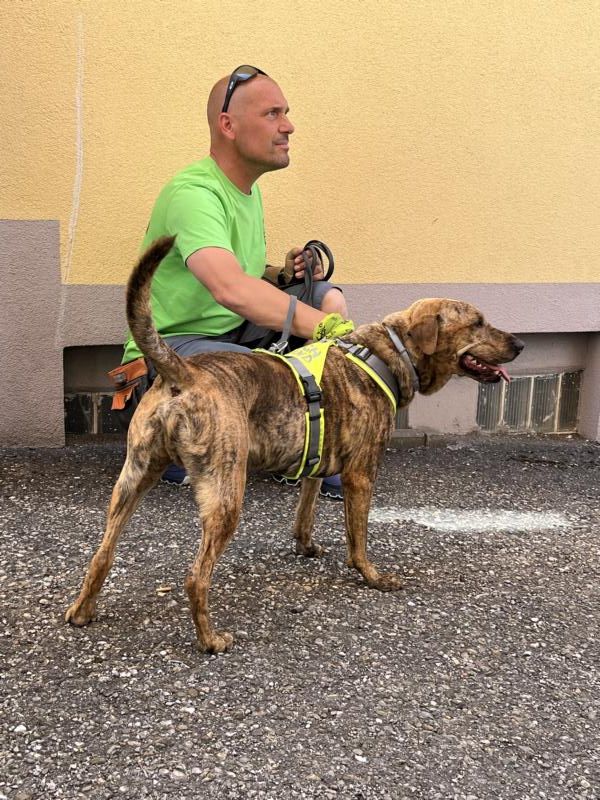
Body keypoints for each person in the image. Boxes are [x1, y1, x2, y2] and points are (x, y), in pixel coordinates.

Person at [119, 65, 349, 498]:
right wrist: (328, 331)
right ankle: (169, 440)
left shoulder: (247, 190)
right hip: (170, 355)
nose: (288, 126)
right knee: (268, 369)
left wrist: (282, 276)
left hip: (227, 335)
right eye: (272, 114)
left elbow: (238, 274)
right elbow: (228, 287)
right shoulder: (194, 194)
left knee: (324, 295)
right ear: (228, 125)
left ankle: (302, 444)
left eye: (286, 113)